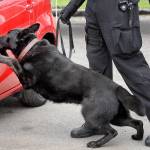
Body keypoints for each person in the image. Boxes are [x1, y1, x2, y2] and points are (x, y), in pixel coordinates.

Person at [60, 0, 150, 146]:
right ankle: (98, 122)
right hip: (94, 8)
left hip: (118, 8)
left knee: (133, 67)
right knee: (97, 72)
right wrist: (72, 6)